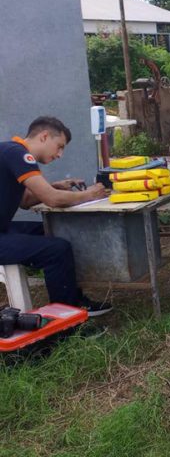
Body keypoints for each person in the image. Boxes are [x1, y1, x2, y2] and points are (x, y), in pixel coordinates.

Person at [0, 117, 112, 315]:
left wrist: (54, 185)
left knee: (55, 229)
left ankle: (75, 300)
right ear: (44, 137)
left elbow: (25, 201)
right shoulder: (19, 154)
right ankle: (66, 317)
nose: (60, 154)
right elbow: (52, 200)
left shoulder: (10, 151)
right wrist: (90, 194)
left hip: (4, 229)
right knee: (57, 250)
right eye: (59, 146)